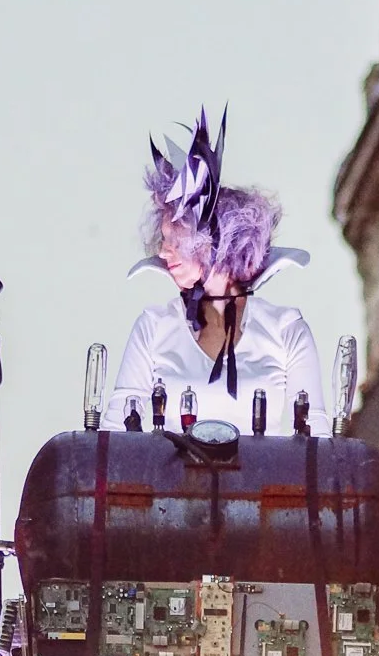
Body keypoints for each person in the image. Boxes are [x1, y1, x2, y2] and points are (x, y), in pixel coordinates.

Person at [102, 110, 330, 436]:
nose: (163, 253)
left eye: (174, 240)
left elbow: (314, 442)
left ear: (214, 240)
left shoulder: (286, 331)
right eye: (163, 240)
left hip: (262, 486)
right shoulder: (154, 328)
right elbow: (116, 436)